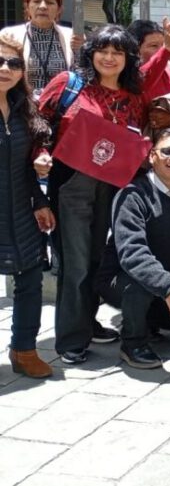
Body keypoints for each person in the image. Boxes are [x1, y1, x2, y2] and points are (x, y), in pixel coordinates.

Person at [38, 25, 156, 363]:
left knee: (96, 259)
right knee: (75, 262)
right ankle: (72, 340)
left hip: (112, 184)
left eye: (117, 52)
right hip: (72, 182)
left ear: (127, 59)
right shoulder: (69, 84)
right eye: (102, 50)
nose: (109, 57)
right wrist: (39, 155)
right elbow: (39, 124)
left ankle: (87, 322)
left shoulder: (133, 96)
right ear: (90, 53)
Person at [98, 129, 170, 368]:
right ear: (152, 156)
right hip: (121, 279)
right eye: (167, 151)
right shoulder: (132, 195)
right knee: (140, 289)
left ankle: (146, 316)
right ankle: (133, 343)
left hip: (164, 278)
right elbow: (133, 255)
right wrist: (169, 288)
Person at [0, 32, 56, 378]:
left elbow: (28, 163)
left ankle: (24, 349)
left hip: (21, 208)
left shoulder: (25, 109)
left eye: (14, 63)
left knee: (31, 278)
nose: (5, 68)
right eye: (0, 61)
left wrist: (40, 200)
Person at [9, 0, 80, 94]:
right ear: (27, 7)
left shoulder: (73, 37)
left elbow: (84, 75)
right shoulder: (9, 36)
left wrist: (83, 50)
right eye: (37, 1)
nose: (42, 6)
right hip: (22, 107)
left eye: (49, 2)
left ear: (59, 9)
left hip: (61, 107)